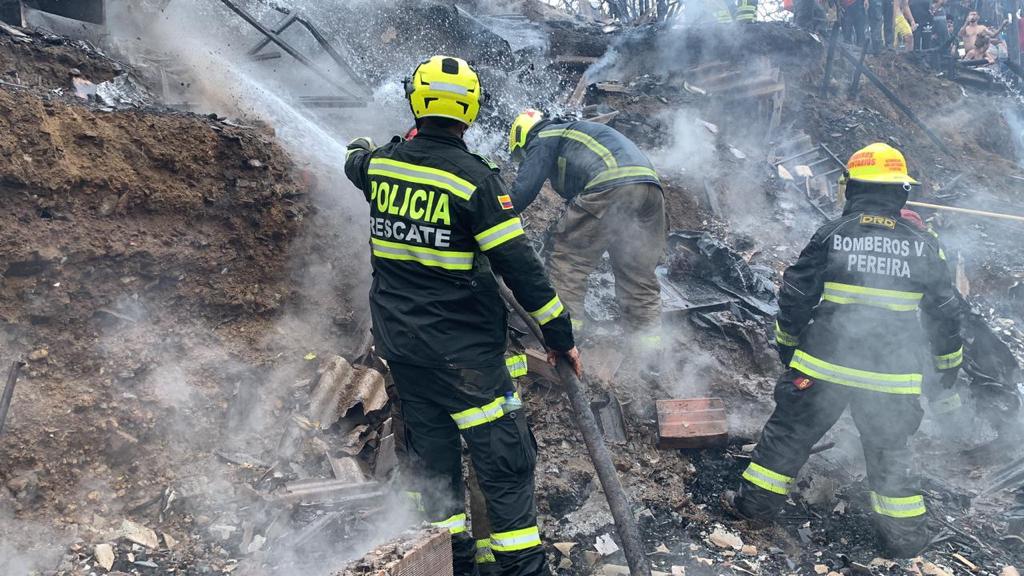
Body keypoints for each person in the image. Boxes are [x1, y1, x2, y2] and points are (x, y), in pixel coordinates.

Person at [345, 55, 582, 576]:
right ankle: (524, 569)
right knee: (505, 464)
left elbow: (355, 162)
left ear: (415, 100)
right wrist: (560, 334)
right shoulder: (475, 181)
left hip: (403, 349)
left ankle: (453, 564)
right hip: (466, 356)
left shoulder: (382, 165)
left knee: (432, 465)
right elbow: (521, 268)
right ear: (470, 110)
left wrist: (361, 146)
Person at [725, 143, 963, 558]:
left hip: (822, 366)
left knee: (789, 437)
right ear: (901, 193)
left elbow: (795, 295)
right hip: (891, 378)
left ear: (850, 188)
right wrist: (947, 368)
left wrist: (788, 348)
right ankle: (905, 541)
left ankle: (752, 510)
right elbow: (945, 314)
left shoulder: (832, 234)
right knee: (890, 453)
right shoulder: (923, 246)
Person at [506, 109, 666, 372]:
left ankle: (567, 339)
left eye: (521, 155)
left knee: (570, 261)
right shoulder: (577, 134)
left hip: (612, 183)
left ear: (524, 137)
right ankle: (648, 356)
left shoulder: (545, 135)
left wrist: (493, 217)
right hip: (650, 189)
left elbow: (524, 190)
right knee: (638, 273)